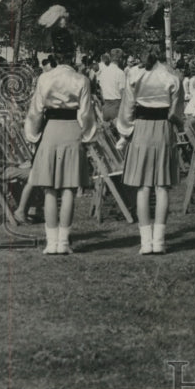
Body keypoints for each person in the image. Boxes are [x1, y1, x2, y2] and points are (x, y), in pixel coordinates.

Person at [23, 28, 98, 254]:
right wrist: (87, 136)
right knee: (68, 189)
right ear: (73, 53)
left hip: (51, 131)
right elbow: (86, 113)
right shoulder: (81, 79)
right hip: (72, 131)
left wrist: (33, 135)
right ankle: (63, 242)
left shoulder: (45, 78)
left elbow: (35, 111)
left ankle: (51, 242)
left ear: (54, 54)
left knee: (49, 189)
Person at [117, 44, 185, 255]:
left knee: (143, 187)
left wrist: (125, 132)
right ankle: (159, 241)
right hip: (163, 130)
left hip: (141, 131)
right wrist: (177, 125)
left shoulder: (134, 75)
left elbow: (127, 108)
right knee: (162, 186)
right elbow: (176, 111)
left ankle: (146, 243)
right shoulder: (172, 76)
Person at [97, 48, 127, 125]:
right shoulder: (120, 73)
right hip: (117, 107)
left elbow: (101, 90)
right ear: (120, 59)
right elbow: (122, 92)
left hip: (106, 106)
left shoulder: (103, 72)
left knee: (108, 135)